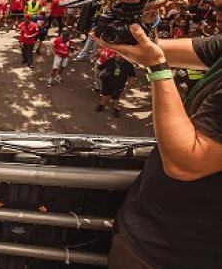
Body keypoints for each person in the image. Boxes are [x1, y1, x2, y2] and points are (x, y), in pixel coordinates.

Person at [94, 26, 222, 269]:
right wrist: (130, 23)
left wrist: (158, 69)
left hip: (176, 251)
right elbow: (150, 49)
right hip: (149, 226)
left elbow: (186, 164)